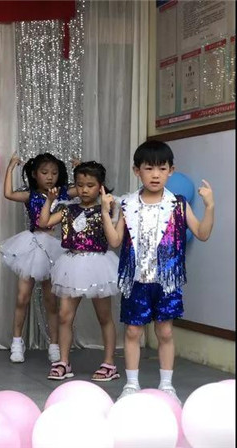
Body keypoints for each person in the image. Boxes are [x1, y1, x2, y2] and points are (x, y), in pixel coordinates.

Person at [101, 140, 214, 402]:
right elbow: (115, 241)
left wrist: (210, 206)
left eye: (162, 169)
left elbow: (202, 233)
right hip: (136, 281)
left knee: (165, 332)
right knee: (133, 332)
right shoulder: (127, 204)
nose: (155, 175)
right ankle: (131, 384)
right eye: (149, 168)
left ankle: (166, 385)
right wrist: (106, 213)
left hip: (166, 281)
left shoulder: (178, 204)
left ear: (171, 171)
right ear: (136, 170)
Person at [39, 161, 120, 381]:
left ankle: (109, 363)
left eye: (90, 185)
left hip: (98, 265)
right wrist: (49, 201)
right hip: (72, 263)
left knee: (104, 316)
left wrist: (106, 209)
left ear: (100, 187)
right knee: (65, 315)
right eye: (80, 185)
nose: (84, 190)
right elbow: (44, 222)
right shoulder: (68, 209)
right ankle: (63, 362)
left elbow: (114, 237)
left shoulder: (107, 209)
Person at [0, 153, 77, 363]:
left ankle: (54, 345)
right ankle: (17, 342)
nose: (50, 177)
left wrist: (79, 168)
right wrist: (11, 167)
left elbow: (85, 188)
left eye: (54, 173)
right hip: (33, 246)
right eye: (44, 172)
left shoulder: (63, 192)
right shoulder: (31, 195)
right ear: (35, 174)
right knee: (22, 297)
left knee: (51, 301)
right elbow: (8, 194)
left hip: (55, 247)